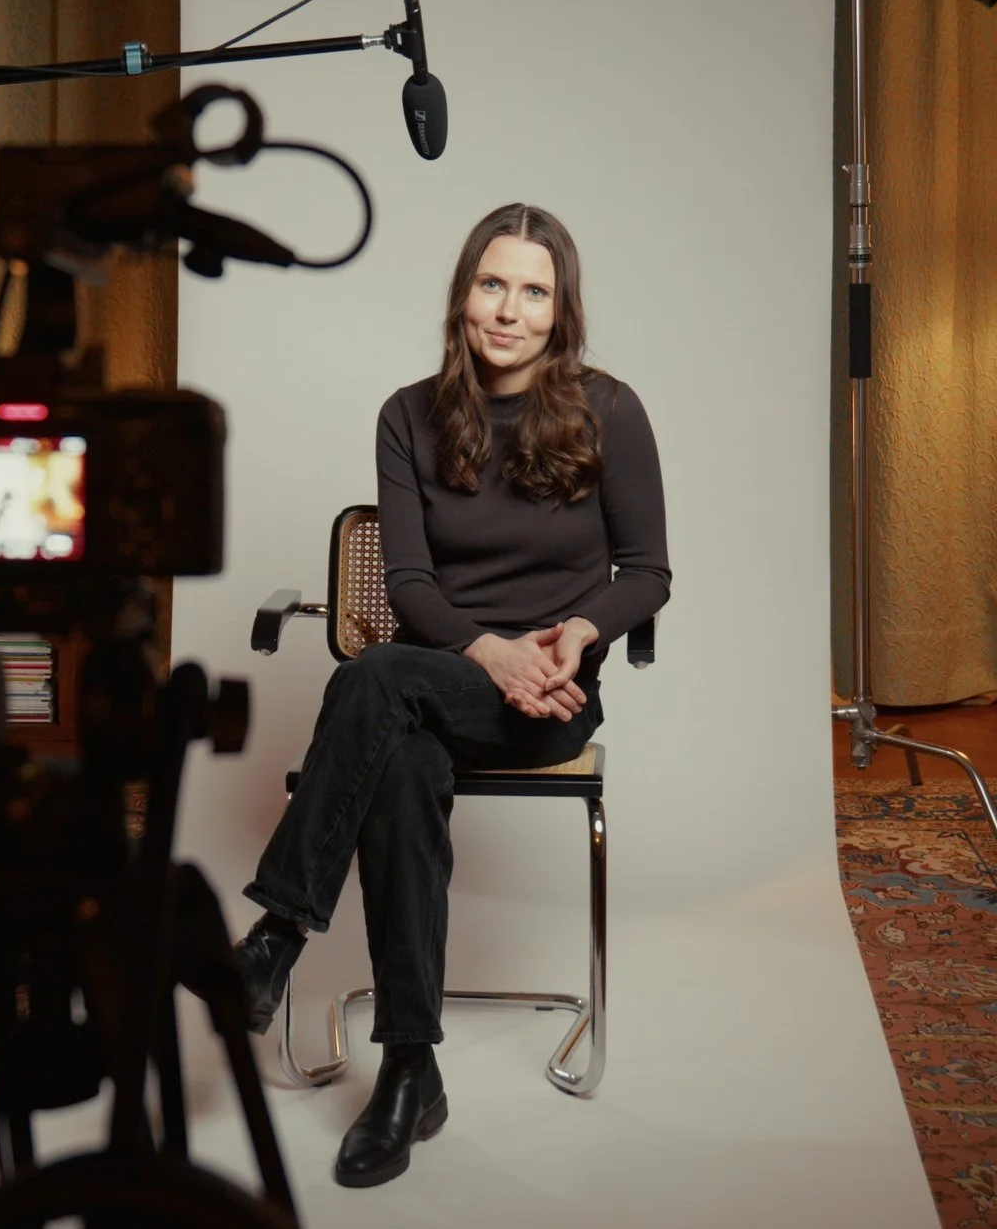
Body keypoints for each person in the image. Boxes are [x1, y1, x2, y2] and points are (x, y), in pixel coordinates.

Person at [230, 202, 670, 1187]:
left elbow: (647, 572)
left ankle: (277, 932)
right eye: (491, 284)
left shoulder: (612, 410)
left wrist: (575, 636)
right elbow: (411, 589)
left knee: (373, 678)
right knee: (398, 756)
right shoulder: (408, 415)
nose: (508, 310)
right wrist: (486, 652)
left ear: (561, 309)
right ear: (462, 294)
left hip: (546, 701)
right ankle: (408, 1072)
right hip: (436, 683)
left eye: (533, 291)